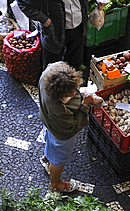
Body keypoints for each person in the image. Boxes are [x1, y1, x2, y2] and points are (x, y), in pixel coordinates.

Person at [15, 0, 99, 71]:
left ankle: (70, 86)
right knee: (52, 69)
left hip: (78, 28)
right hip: (56, 31)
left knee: (74, 64)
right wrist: (43, 19)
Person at [38, 62, 103, 193]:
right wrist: (85, 104)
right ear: (58, 95)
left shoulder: (51, 71)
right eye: (70, 93)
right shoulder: (57, 109)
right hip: (60, 133)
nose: (74, 94)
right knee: (59, 158)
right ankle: (55, 183)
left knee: (50, 140)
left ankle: (47, 158)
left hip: (47, 121)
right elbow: (72, 127)